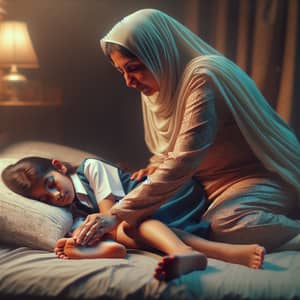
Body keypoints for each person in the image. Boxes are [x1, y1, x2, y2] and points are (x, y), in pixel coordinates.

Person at [75, 8, 300, 255]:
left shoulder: (204, 77)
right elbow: (171, 150)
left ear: (159, 54)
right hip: (204, 185)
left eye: (135, 67)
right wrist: (158, 164)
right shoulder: (163, 84)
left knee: (222, 224)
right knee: (153, 224)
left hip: (259, 176)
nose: (129, 81)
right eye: (122, 72)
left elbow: (183, 159)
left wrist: (115, 215)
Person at [2, 156, 265, 281]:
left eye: (51, 184)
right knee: (127, 233)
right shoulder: (73, 215)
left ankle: (188, 251)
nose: (56, 195)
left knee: (126, 224)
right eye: (46, 200)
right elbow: (115, 245)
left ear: (59, 166)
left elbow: (111, 216)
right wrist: (75, 248)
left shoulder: (90, 169)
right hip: (145, 221)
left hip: (173, 194)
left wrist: (94, 234)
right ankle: (224, 253)